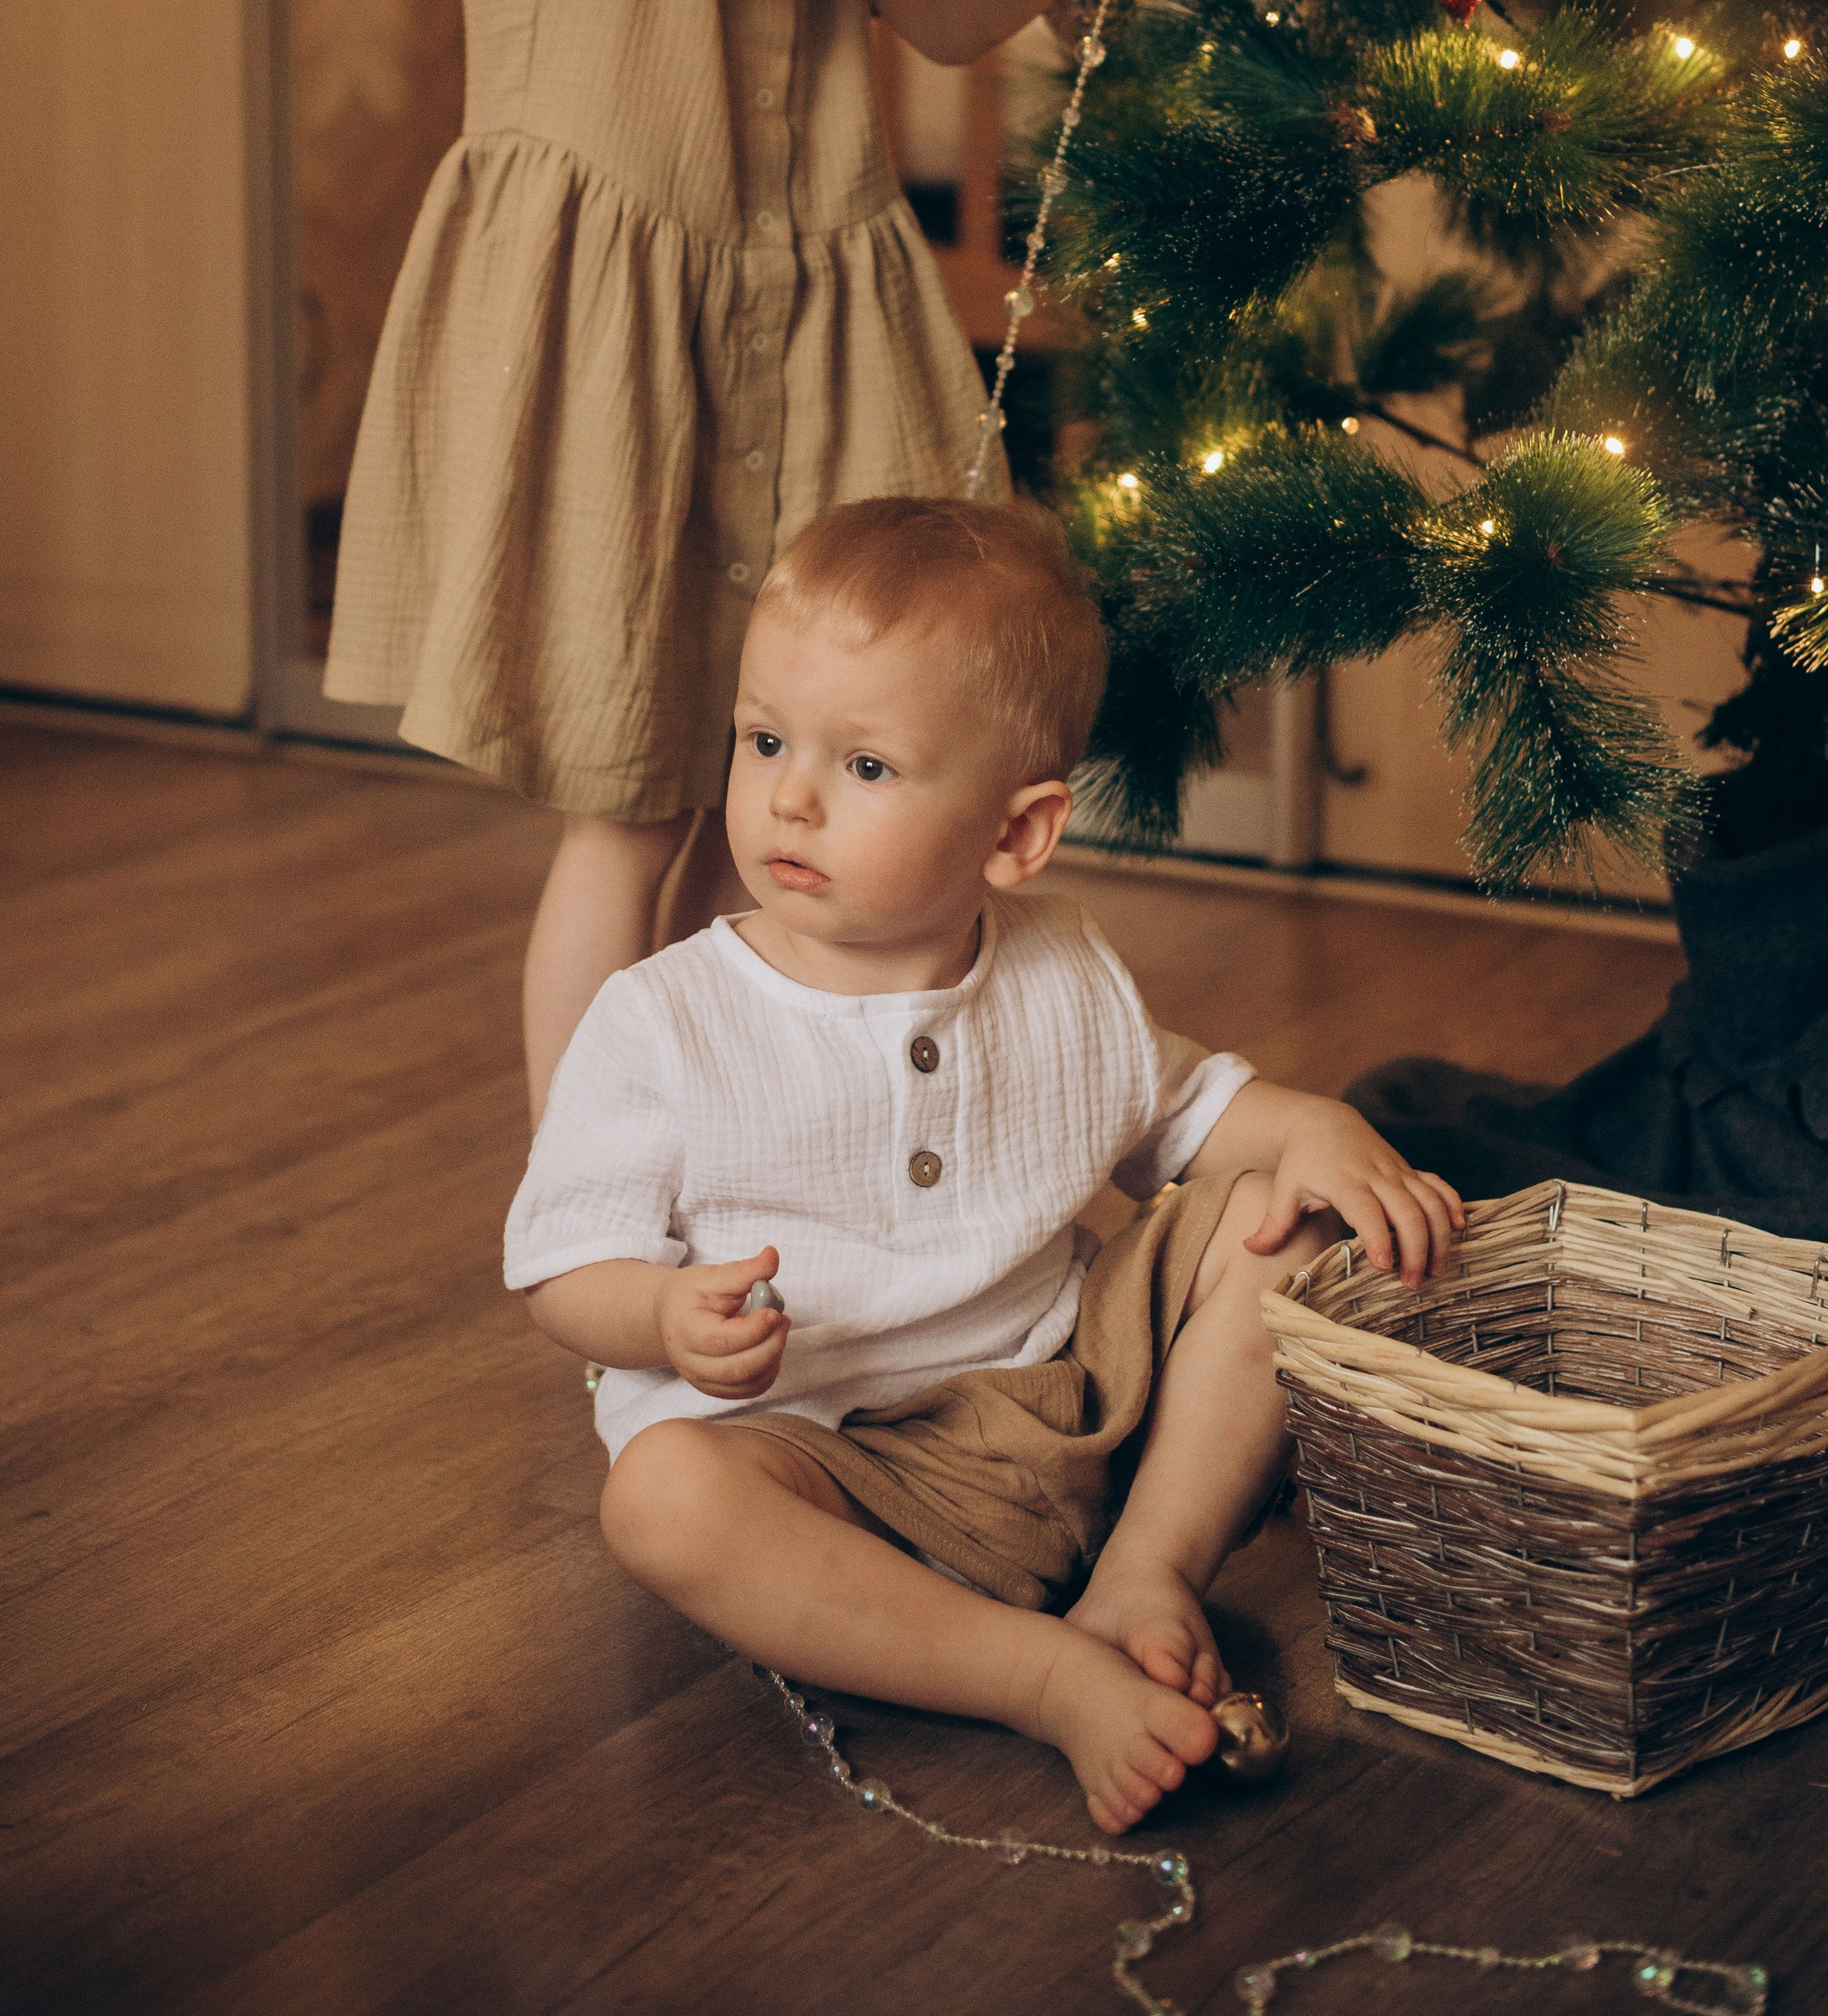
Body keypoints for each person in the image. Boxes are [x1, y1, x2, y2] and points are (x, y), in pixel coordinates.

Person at [323, 0, 1180, 1118]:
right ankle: (587, 1200)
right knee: (630, 805)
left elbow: (933, 8)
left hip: (808, 325)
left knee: (786, 781)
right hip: (619, 328)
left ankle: (765, 1149)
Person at [504, 498, 1463, 1835]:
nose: (788, 794)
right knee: (664, 1500)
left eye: (867, 768)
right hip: (837, 1469)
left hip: (1079, 1405)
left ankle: (1149, 1568)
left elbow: (1184, 1108)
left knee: (1286, 1235)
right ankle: (1032, 1676)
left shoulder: (1059, 964)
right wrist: (660, 1316)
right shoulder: (669, 1018)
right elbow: (564, 1267)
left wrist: (1309, 1128)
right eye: (767, 739)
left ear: (1015, 836)